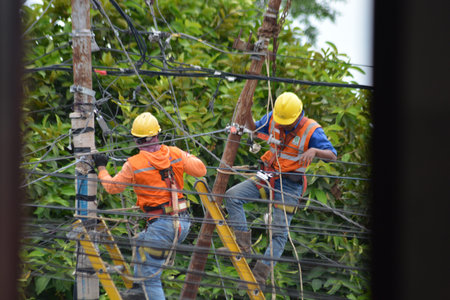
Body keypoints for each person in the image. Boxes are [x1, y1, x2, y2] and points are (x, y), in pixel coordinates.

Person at [224, 92, 337, 288]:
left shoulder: (312, 130)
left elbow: (333, 155)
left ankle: (259, 276)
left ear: (298, 115)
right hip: (268, 175)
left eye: (287, 122)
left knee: (278, 233)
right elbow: (255, 129)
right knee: (232, 196)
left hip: (290, 185)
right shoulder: (274, 117)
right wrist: (247, 112)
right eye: (281, 121)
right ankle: (243, 248)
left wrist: (315, 151)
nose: (282, 125)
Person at [92, 112, 207, 299]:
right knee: (141, 241)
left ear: (136, 140)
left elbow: (112, 187)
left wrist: (102, 168)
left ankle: (142, 286)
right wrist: (183, 155)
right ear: (157, 136)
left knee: (152, 278)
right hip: (182, 224)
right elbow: (201, 169)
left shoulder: (134, 164)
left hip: (162, 226)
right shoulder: (174, 153)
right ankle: (138, 289)